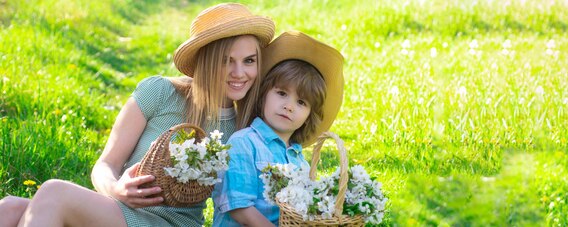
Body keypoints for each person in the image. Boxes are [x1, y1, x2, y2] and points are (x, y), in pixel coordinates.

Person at [0, 3, 274, 226]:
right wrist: (115, 189)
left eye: (249, 60)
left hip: (172, 223)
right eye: (227, 60)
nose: (240, 73)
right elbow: (104, 165)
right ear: (208, 61)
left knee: (53, 193)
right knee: (9, 208)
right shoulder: (159, 92)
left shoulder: (245, 129)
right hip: (116, 210)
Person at [211, 30, 344, 226]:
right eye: (281, 93)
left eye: (301, 102)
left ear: (308, 116)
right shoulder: (244, 143)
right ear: (264, 94)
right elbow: (239, 208)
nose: (289, 106)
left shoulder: (300, 161)